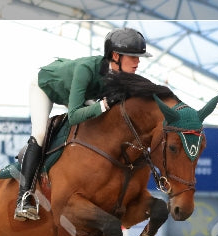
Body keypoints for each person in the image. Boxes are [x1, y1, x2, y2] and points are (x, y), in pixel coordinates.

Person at [13, 27, 152, 221]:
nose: (138, 62)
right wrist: (103, 105)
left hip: (80, 95)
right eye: (133, 57)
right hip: (46, 87)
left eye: (139, 58)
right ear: (115, 56)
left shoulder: (124, 77)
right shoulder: (85, 69)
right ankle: (24, 197)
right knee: (40, 134)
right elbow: (75, 115)